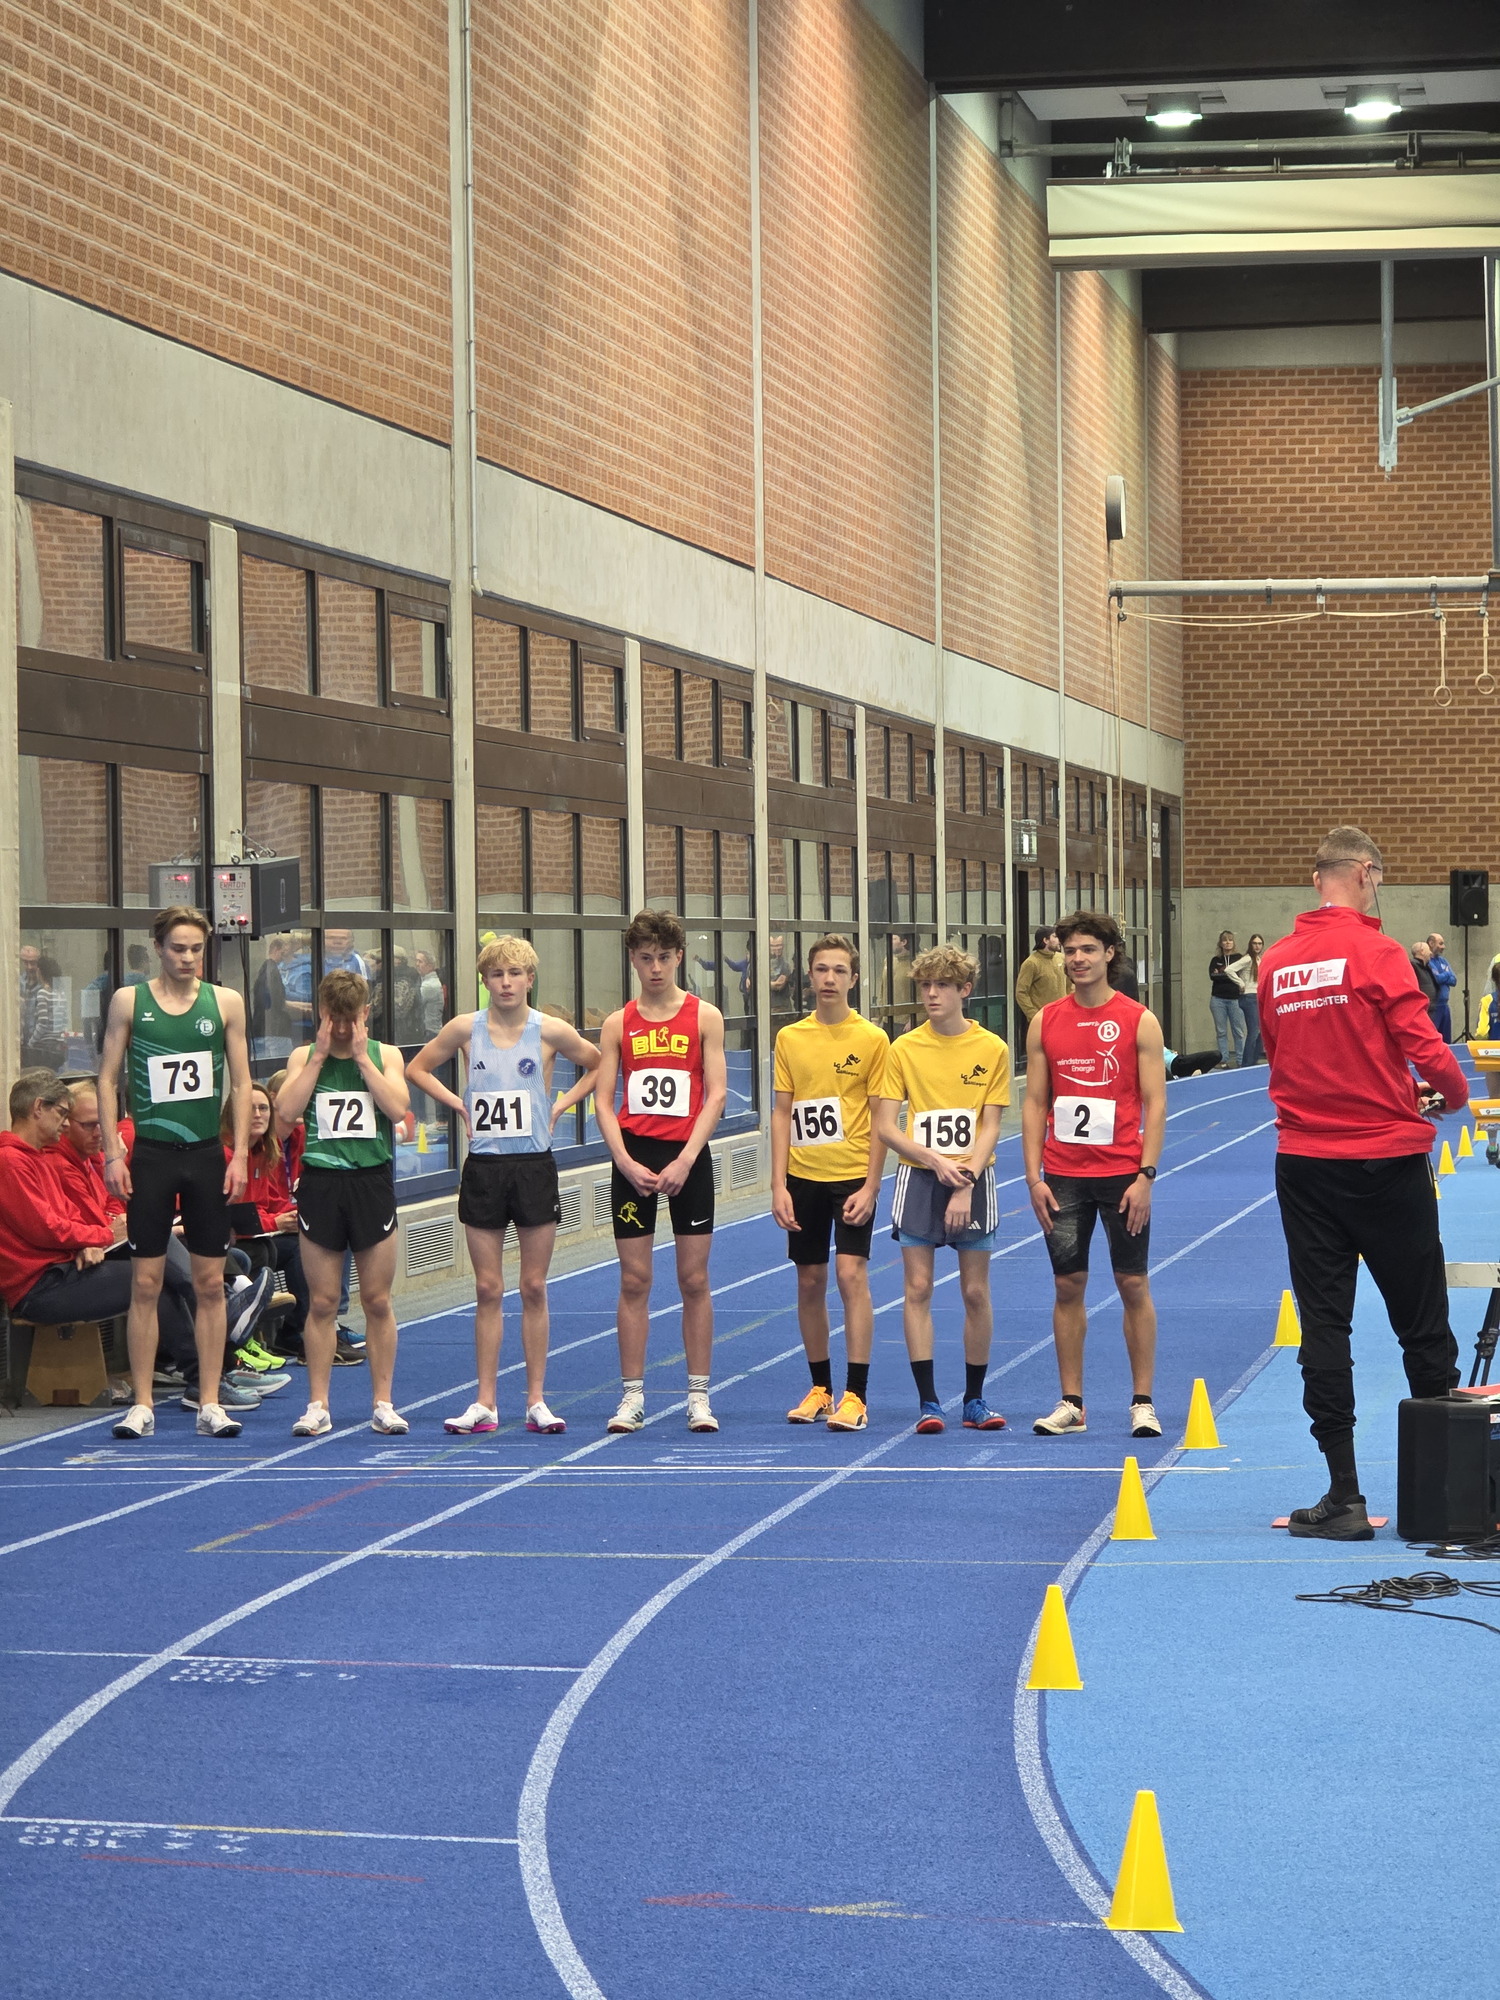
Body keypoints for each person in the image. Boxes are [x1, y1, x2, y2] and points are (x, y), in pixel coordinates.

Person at [1258, 827, 1470, 1540]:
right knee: (1421, 1317)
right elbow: (1424, 1045)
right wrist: (1449, 1094)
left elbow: (1281, 1054)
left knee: (1325, 1325)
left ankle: (1343, 1495)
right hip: (1385, 1160)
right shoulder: (1378, 953)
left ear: (1317, 878)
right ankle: (1448, 1490)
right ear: (1367, 873)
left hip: (1306, 1163)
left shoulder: (1276, 962)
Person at [407, 935, 602, 1436]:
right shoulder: (464, 1028)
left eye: (515, 974)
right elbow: (417, 1068)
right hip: (485, 1168)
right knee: (487, 1287)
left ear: (530, 979)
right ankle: (485, 1401)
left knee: (533, 1285)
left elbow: (600, 1064)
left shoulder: (550, 1029)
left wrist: (559, 1105)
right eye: (497, 975)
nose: (507, 983)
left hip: (533, 1166)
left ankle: (536, 1399)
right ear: (485, 981)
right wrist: (459, 1104)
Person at [97, 904, 254, 1439]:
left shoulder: (225, 1002)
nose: (188, 958)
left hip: (206, 1155)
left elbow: (241, 1082)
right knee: (146, 1282)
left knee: (209, 1283)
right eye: (178, 948)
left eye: (196, 949)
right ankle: (142, 1404)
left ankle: (209, 1400)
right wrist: (112, 1152)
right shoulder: (129, 1001)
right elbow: (107, 1078)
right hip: (152, 1156)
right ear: (159, 949)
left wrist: (239, 1155)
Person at [1023, 912, 1167, 1440]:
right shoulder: (1045, 1021)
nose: (1077, 959)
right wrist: (1033, 1177)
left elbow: (1155, 1102)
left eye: (1087, 949)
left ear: (1109, 953)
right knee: (1068, 1285)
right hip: (1063, 1175)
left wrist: (1146, 1176)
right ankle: (1072, 1404)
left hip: (1122, 1174)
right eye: (1070, 950)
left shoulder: (1138, 1020)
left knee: (1132, 1282)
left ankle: (1142, 1402)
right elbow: (1035, 1101)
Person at [60, 1079, 273, 1408]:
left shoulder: (91, 1158)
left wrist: (109, 1226)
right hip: (61, 1272)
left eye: (101, 1124)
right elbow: (56, 1226)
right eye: (89, 1125)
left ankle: (219, 1359)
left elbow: (112, 1203)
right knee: (155, 1280)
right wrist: (101, 1234)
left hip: (104, 1246)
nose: (99, 1133)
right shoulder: (54, 1161)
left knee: (229, 1258)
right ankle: (218, 1346)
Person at [593, 909, 727, 1434]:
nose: (655, 968)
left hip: (687, 1157)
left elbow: (716, 1094)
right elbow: (604, 1101)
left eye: (664, 958)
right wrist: (624, 1161)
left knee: (694, 1278)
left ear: (679, 958)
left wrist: (687, 1158)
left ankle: (699, 1396)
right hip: (634, 1158)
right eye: (646, 958)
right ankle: (632, 1396)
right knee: (635, 1279)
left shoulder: (704, 1017)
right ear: (632, 959)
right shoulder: (617, 1023)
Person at [871, 943, 1010, 1434]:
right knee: (918, 1287)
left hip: (973, 1179)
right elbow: (885, 1126)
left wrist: (965, 1178)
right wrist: (933, 1160)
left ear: (964, 990)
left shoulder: (992, 1049)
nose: (932, 994)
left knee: (974, 1290)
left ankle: (975, 1399)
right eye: (926, 985)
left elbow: (991, 1125)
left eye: (943, 985)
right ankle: (929, 1402)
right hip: (919, 1179)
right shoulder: (903, 1049)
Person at [275, 971, 408, 1435]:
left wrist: (363, 1060)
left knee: (377, 1299)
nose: (345, 1029)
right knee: (323, 1301)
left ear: (365, 1014)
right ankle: (318, 1404)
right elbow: (285, 1113)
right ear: (322, 1015)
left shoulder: (385, 1055)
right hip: (322, 1184)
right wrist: (316, 1058)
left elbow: (397, 1108)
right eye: (336, 1019)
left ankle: (383, 1402)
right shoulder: (302, 1056)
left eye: (352, 1019)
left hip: (370, 1182)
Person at [770, 935, 889, 1432]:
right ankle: (820, 1388)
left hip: (852, 1176)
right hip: (804, 1177)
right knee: (809, 1280)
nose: (829, 979)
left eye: (839, 971)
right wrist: (777, 1184)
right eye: (822, 969)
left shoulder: (873, 1039)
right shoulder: (790, 1038)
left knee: (851, 1276)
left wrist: (872, 1185)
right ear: (810, 976)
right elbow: (782, 1112)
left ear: (853, 979)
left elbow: (882, 1117)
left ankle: (855, 1395)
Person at [222, 1083, 308, 1371]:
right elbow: (232, 1214)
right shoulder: (225, 1153)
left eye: (263, 1108)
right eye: (250, 1109)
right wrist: (274, 1222)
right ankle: (245, 1337)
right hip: (230, 1237)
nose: (258, 1114)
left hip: (256, 1232)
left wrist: (293, 1216)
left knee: (305, 1243)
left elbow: (270, 1201)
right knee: (260, 1250)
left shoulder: (262, 1150)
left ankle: (299, 1330)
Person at [250, 933, 295, 1061]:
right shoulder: (270, 972)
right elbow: (277, 1003)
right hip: (274, 1033)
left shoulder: (265, 970)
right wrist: (306, 1009)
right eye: (285, 952)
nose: (288, 957)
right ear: (276, 948)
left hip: (263, 1030)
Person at [1208, 930, 1247, 1068]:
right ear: (1221, 943)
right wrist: (1231, 975)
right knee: (1221, 1031)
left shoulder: (1239, 958)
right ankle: (1223, 1059)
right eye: (1225, 940)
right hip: (1218, 1000)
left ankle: (1241, 1060)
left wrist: (1222, 974)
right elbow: (1212, 976)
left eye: (1230, 940)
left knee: (1239, 1031)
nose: (1227, 942)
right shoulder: (1216, 960)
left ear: (1233, 942)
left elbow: (1241, 975)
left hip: (1236, 999)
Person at [1015, 927, 1068, 1028]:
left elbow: (1070, 985)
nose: (1059, 940)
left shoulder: (1062, 958)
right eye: (1055, 937)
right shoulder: (1031, 963)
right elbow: (1021, 992)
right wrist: (1034, 1016)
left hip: (1063, 1017)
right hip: (1043, 1020)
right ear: (1045, 940)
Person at [1228, 934, 1267, 1063]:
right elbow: (1229, 970)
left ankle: (1253, 1061)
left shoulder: (1258, 959)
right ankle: (1247, 1064)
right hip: (1249, 997)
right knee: (1254, 1031)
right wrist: (1241, 983)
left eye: (1260, 944)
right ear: (1250, 944)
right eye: (1255, 943)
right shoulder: (1248, 959)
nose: (1257, 946)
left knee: (1260, 1032)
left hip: (1257, 996)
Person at [1425, 932, 1457, 1041]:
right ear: (1431, 943)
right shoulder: (1427, 962)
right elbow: (1436, 979)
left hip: (1445, 1006)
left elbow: (1454, 980)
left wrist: (1443, 975)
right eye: (1440, 943)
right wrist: (1447, 974)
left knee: (1446, 1040)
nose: (1443, 947)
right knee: (1434, 1038)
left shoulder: (1443, 961)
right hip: (1434, 1007)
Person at [415, 949, 446, 1037]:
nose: (417, 964)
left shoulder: (429, 985)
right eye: (416, 961)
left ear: (430, 966)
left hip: (431, 1031)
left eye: (420, 961)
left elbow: (415, 1004)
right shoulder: (425, 981)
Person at [1409, 940, 1440, 1023]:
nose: (1430, 953)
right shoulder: (1413, 966)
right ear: (1422, 951)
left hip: (1430, 1008)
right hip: (1422, 1009)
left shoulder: (1427, 967)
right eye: (1428, 950)